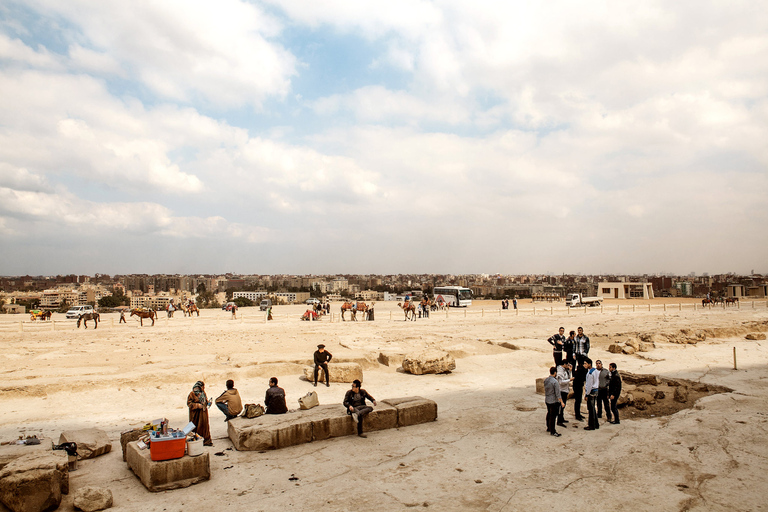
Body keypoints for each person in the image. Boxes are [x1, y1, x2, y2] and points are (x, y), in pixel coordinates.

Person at [187, 381, 212, 446]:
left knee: (204, 427)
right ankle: (197, 441)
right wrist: (198, 406)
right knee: (195, 427)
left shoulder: (203, 393)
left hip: (203, 414)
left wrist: (208, 403)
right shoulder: (192, 394)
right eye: (203, 386)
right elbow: (189, 404)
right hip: (195, 414)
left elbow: (205, 401)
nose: (204, 388)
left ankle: (206, 441)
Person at [544, 367, 564, 437]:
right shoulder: (555, 382)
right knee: (553, 416)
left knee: (549, 414)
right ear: (555, 373)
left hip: (547, 399)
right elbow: (558, 394)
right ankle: (553, 430)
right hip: (553, 401)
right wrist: (561, 402)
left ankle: (548, 427)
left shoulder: (546, 380)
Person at [583, 358, 599, 431]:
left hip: (591, 392)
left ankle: (591, 425)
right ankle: (596, 424)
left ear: (589, 364)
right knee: (593, 408)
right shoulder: (596, 371)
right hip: (596, 390)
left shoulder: (590, 373)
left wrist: (586, 394)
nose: (584, 365)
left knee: (591, 409)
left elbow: (589, 385)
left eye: (585, 363)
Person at [556, 361, 573, 427]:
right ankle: (559, 420)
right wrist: (570, 380)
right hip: (561, 390)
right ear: (564, 364)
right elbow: (561, 382)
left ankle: (561, 418)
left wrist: (570, 371)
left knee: (563, 406)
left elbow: (567, 377)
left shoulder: (564, 370)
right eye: (567, 364)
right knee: (561, 406)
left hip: (565, 390)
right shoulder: (560, 372)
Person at [571, 357, 586, 421]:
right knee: (578, 401)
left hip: (578, 385)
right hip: (578, 386)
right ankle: (577, 415)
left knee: (578, 401)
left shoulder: (580, 368)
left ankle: (578, 413)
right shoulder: (581, 369)